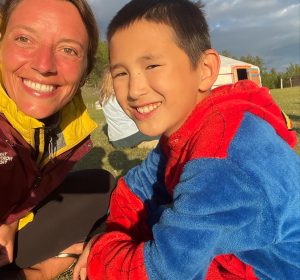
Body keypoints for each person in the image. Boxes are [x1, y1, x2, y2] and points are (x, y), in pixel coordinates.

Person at [74, 0, 300, 279]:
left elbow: (164, 272)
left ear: (205, 69)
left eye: (152, 65)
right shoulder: (186, 128)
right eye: (121, 73)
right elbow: (137, 188)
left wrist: (101, 253)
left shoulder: (222, 156)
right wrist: (118, 234)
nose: (134, 89)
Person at [0, 0, 115, 279]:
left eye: (68, 50)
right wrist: (40, 272)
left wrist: (13, 218)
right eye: (24, 39)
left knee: (101, 185)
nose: (44, 65)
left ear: (87, 67)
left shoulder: (64, 123)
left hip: (14, 221)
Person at [99, 67, 159, 149]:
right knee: (162, 132)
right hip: (130, 136)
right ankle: (144, 143)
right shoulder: (122, 95)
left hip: (115, 140)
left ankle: (141, 143)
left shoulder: (104, 98)